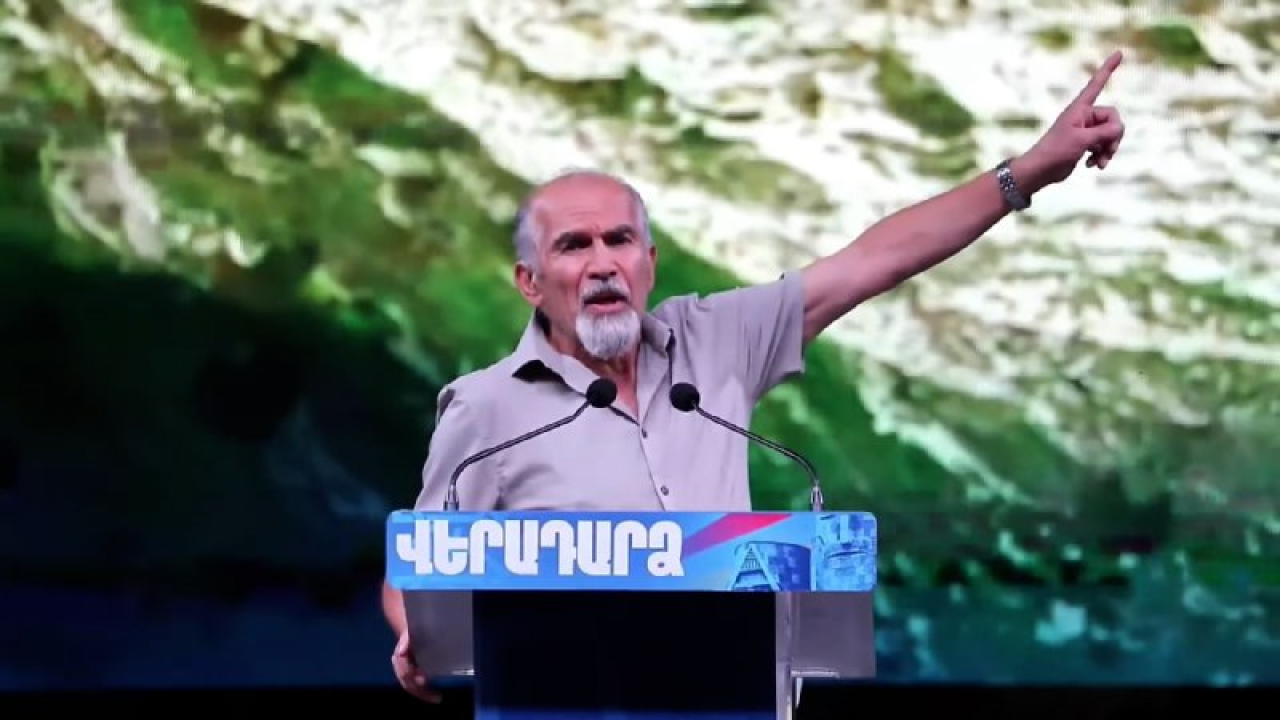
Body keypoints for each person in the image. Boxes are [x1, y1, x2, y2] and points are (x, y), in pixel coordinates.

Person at [388, 51, 1128, 701]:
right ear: (529, 280)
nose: (603, 262)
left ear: (650, 264)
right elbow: (416, 569)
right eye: (573, 246)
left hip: (731, 696)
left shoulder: (715, 341)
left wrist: (1028, 172)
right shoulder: (487, 408)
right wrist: (413, 631)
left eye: (620, 240)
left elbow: (873, 261)